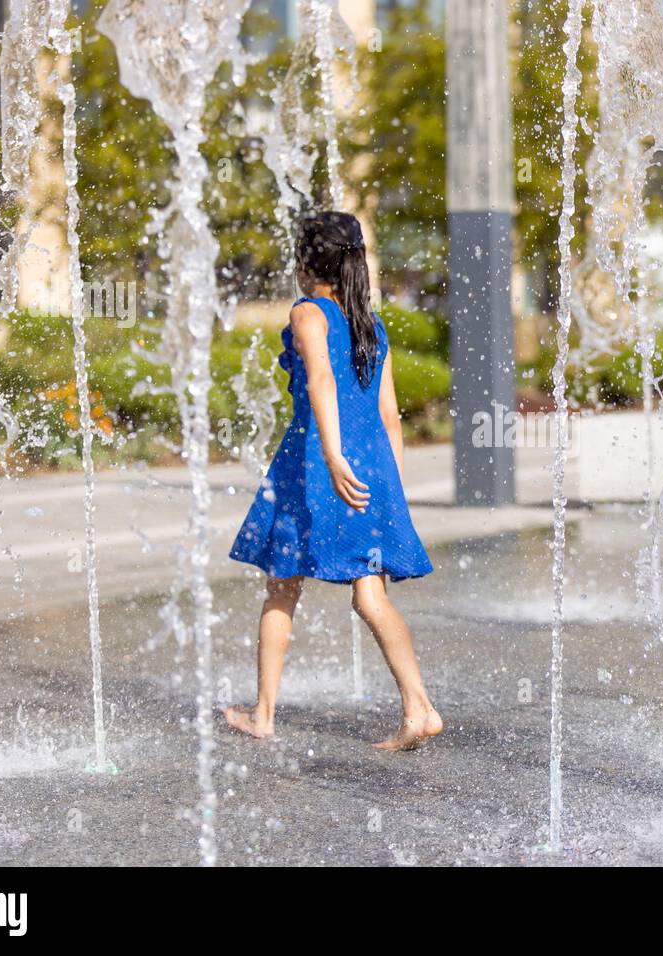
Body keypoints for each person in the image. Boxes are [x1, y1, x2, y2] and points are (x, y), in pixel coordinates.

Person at [225, 211, 442, 751]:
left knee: (282, 586)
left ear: (304, 263)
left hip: (314, 465)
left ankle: (265, 715)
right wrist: (390, 489)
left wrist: (330, 452)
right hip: (371, 469)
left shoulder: (309, 313)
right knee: (370, 597)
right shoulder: (372, 323)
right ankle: (419, 707)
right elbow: (391, 415)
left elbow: (320, 376)